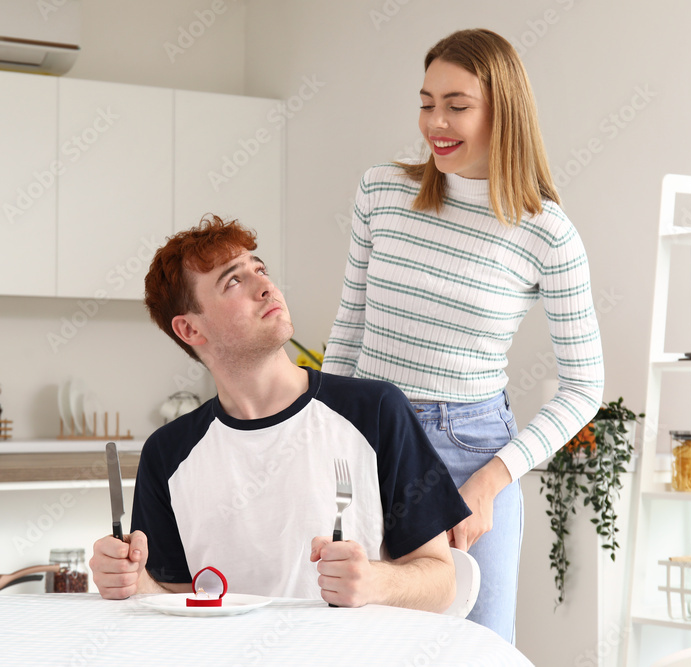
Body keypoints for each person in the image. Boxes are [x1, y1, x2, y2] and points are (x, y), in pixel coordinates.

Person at [322, 29, 604, 639]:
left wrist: (490, 481)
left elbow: (584, 387)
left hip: (471, 455)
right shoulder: (382, 193)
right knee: (361, 642)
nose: (436, 122)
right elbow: (347, 334)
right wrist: (321, 448)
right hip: (368, 445)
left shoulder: (546, 234)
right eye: (426, 102)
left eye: (457, 104)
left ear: (503, 109)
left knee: (475, 648)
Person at [89, 215, 471, 613]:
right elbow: (178, 603)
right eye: (234, 281)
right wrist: (136, 583)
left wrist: (374, 580)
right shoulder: (167, 454)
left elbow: (442, 581)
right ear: (190, 330)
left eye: (260, 269)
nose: (265, 286)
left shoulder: (375, 411)